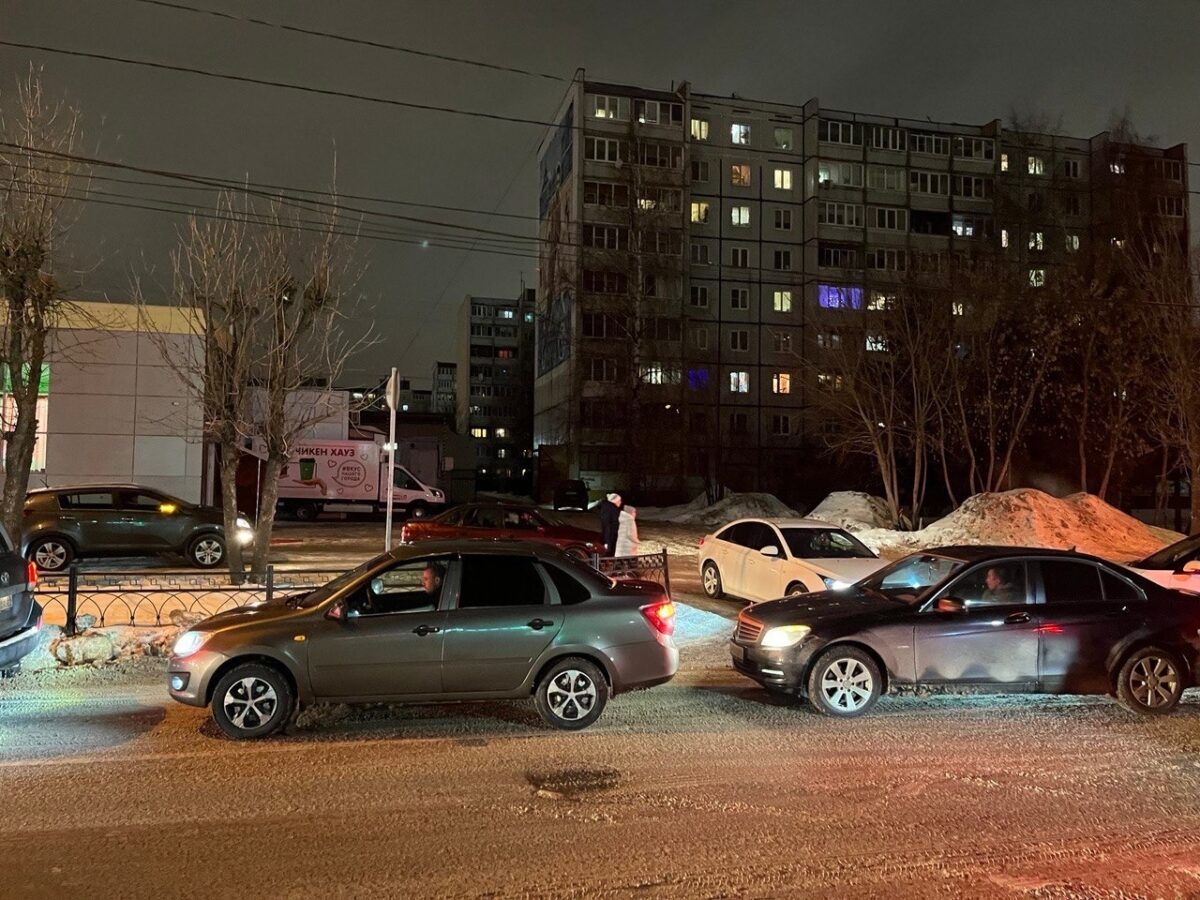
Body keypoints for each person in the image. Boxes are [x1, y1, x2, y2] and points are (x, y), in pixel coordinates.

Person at [599, 492, 622, 557]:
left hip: (610, 536)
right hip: (610, 537)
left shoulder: (609, 508)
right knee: (609, 554)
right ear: (614, 501)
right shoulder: (610, 509)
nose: (620, 502)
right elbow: (607, 525)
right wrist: (607, 541)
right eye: (619, 500)